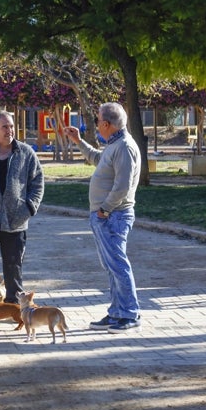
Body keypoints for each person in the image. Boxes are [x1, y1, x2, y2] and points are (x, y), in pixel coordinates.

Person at [64, 102, 142, 333]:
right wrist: (79, 141)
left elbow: (122, 186)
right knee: (111, 266)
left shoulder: (125, 147)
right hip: (107, 215)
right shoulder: (114, 144)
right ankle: (117, 312)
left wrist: (104, 209)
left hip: (114, 216)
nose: (96, 123)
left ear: (107, 124)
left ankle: (129, 313)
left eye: (98, 120)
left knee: (118, 264)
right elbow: (99, 159)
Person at [0, 110, 44, 305]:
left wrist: (29, 207)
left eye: (12, 126)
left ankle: (15, 307)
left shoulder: (25, 152)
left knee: (14, 268)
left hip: (15, 222)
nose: (10, 130)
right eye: (5, 127)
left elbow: (37, 182)